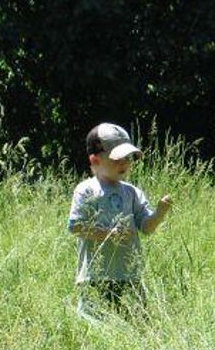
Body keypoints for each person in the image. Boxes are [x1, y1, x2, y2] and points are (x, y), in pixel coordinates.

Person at [67, 123, 172, 318]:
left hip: (129, 275)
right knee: (95, 329)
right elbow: (75, 226)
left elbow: (146, 227)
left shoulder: (131, 192)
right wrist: (108, 234)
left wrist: (159, 213)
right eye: (117, 158)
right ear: (95, 160)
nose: (124, 163)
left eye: (128, 157)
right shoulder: (86, 190)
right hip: (94, 277)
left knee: (137, 325)